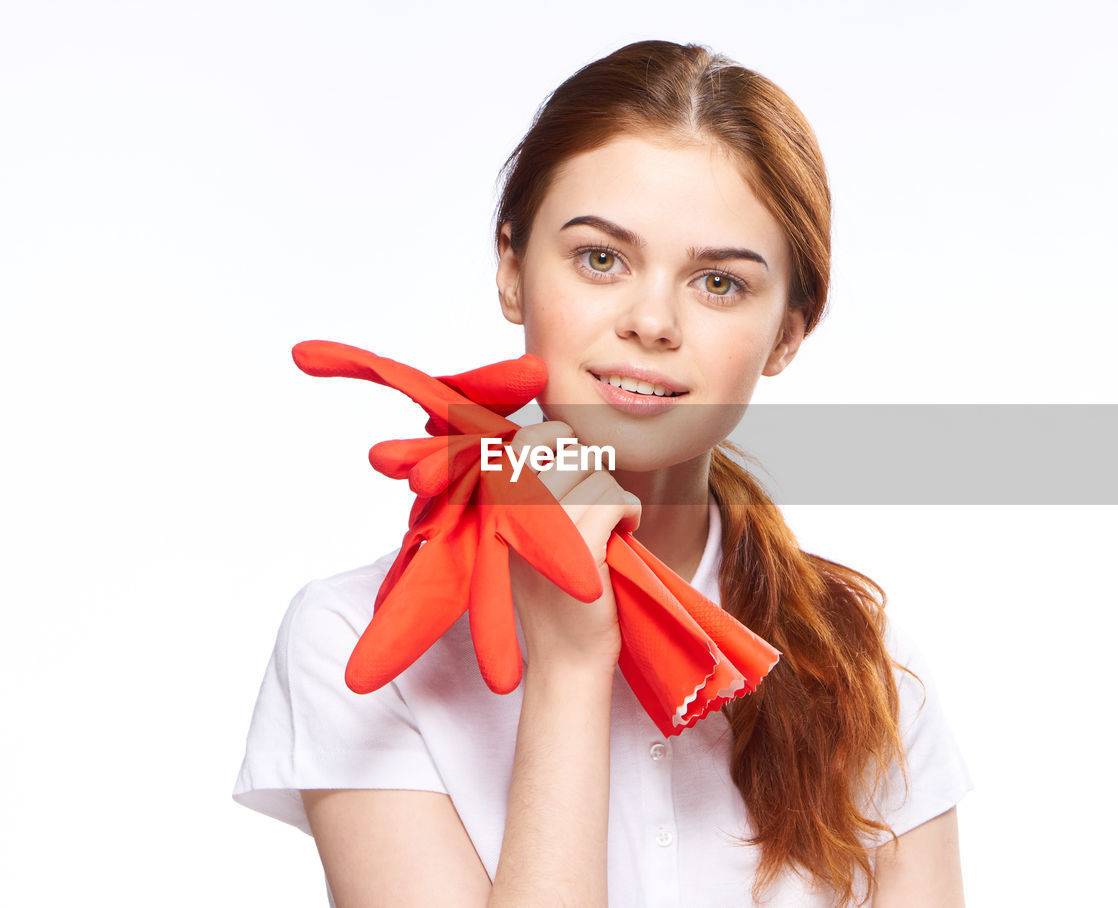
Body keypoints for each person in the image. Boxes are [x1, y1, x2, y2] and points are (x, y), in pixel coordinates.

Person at [233, 39, 972, 907]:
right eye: (600, 258)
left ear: (789, 334)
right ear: (511, 269)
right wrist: (571, 671)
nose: (652, 320)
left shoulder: (861, 668)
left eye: (720, 283)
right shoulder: (360, 642)